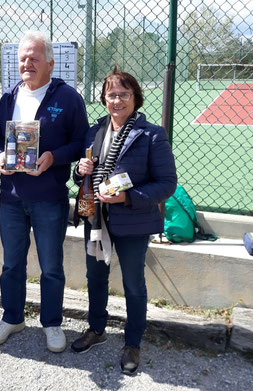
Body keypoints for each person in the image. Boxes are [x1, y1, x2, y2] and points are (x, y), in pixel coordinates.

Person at [0, 31, 89, 352]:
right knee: (11, 265)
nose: (26, 63)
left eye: (33, 58)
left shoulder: (68, 97)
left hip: (49, 199)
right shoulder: (8, 98)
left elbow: (82, 142)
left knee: (51, 267)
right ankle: (13, 317)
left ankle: (52, 322)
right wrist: (0, 155)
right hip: (12, 199)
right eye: (22, 59)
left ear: (49, 62)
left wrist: (53, 157)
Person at [71, 66, 177, 374]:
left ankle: (132, 343)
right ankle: (97, 328)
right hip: (96, 219)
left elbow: (166, 183)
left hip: (133, 222)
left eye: (123, 94)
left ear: (135, 97)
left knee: (133, 284)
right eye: (111, 94)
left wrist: (128, 197)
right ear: (104, 98)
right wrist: (80, 171)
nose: (117, 100)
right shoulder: (95, 131)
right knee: (95, 278)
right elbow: (81, 177)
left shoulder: (152, 134)